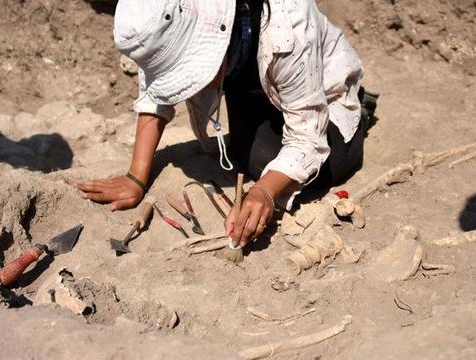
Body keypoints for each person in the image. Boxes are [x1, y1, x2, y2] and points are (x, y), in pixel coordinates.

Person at [75, 0, 378, 249]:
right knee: (254, 160)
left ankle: (361, 110)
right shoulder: (165, 14)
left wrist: (264, 194)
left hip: (323, 90)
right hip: (253, 78)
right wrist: (136, 177)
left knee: (328, 166)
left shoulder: (288, 19)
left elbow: (308, 138)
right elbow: (157, 88)